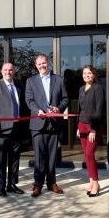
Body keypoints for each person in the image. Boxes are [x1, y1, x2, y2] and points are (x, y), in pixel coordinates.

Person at [25, 54, 69, 198]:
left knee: (52, 156)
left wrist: (59, 109)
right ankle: (37, 185)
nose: (42, 66)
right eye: (39, 64)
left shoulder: (59, 79)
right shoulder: (31, 81)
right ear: (36, 66)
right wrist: (37, 110)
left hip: (54, 123)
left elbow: (65, 99)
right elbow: (29, 100)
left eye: (44, 63)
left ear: (48, 63)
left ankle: (52, 183)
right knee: (39, 156)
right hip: (38, 124)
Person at [0, 63, 25, 197]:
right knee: (1, 159)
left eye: (10, 70)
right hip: (1, 129)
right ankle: (1, 186)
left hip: (17, 128)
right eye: (5, 70)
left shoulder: (19, 85)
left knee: (15, 158)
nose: (8, 72)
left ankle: (12, 184)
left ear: (14, 71)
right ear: (1, 71)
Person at [77, 66, 105, 197]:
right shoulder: (81, 89)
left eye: (89, 73)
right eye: (84, 73)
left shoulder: (97, 88)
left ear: (94, 75)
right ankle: (91, 182)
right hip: (82, 125)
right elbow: (80, 110)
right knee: (86, 155)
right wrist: (78, 126)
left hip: (93, 126)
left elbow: (99, 111)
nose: (86, 75)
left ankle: (96, 183)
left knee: (89, 154)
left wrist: (93, 128)